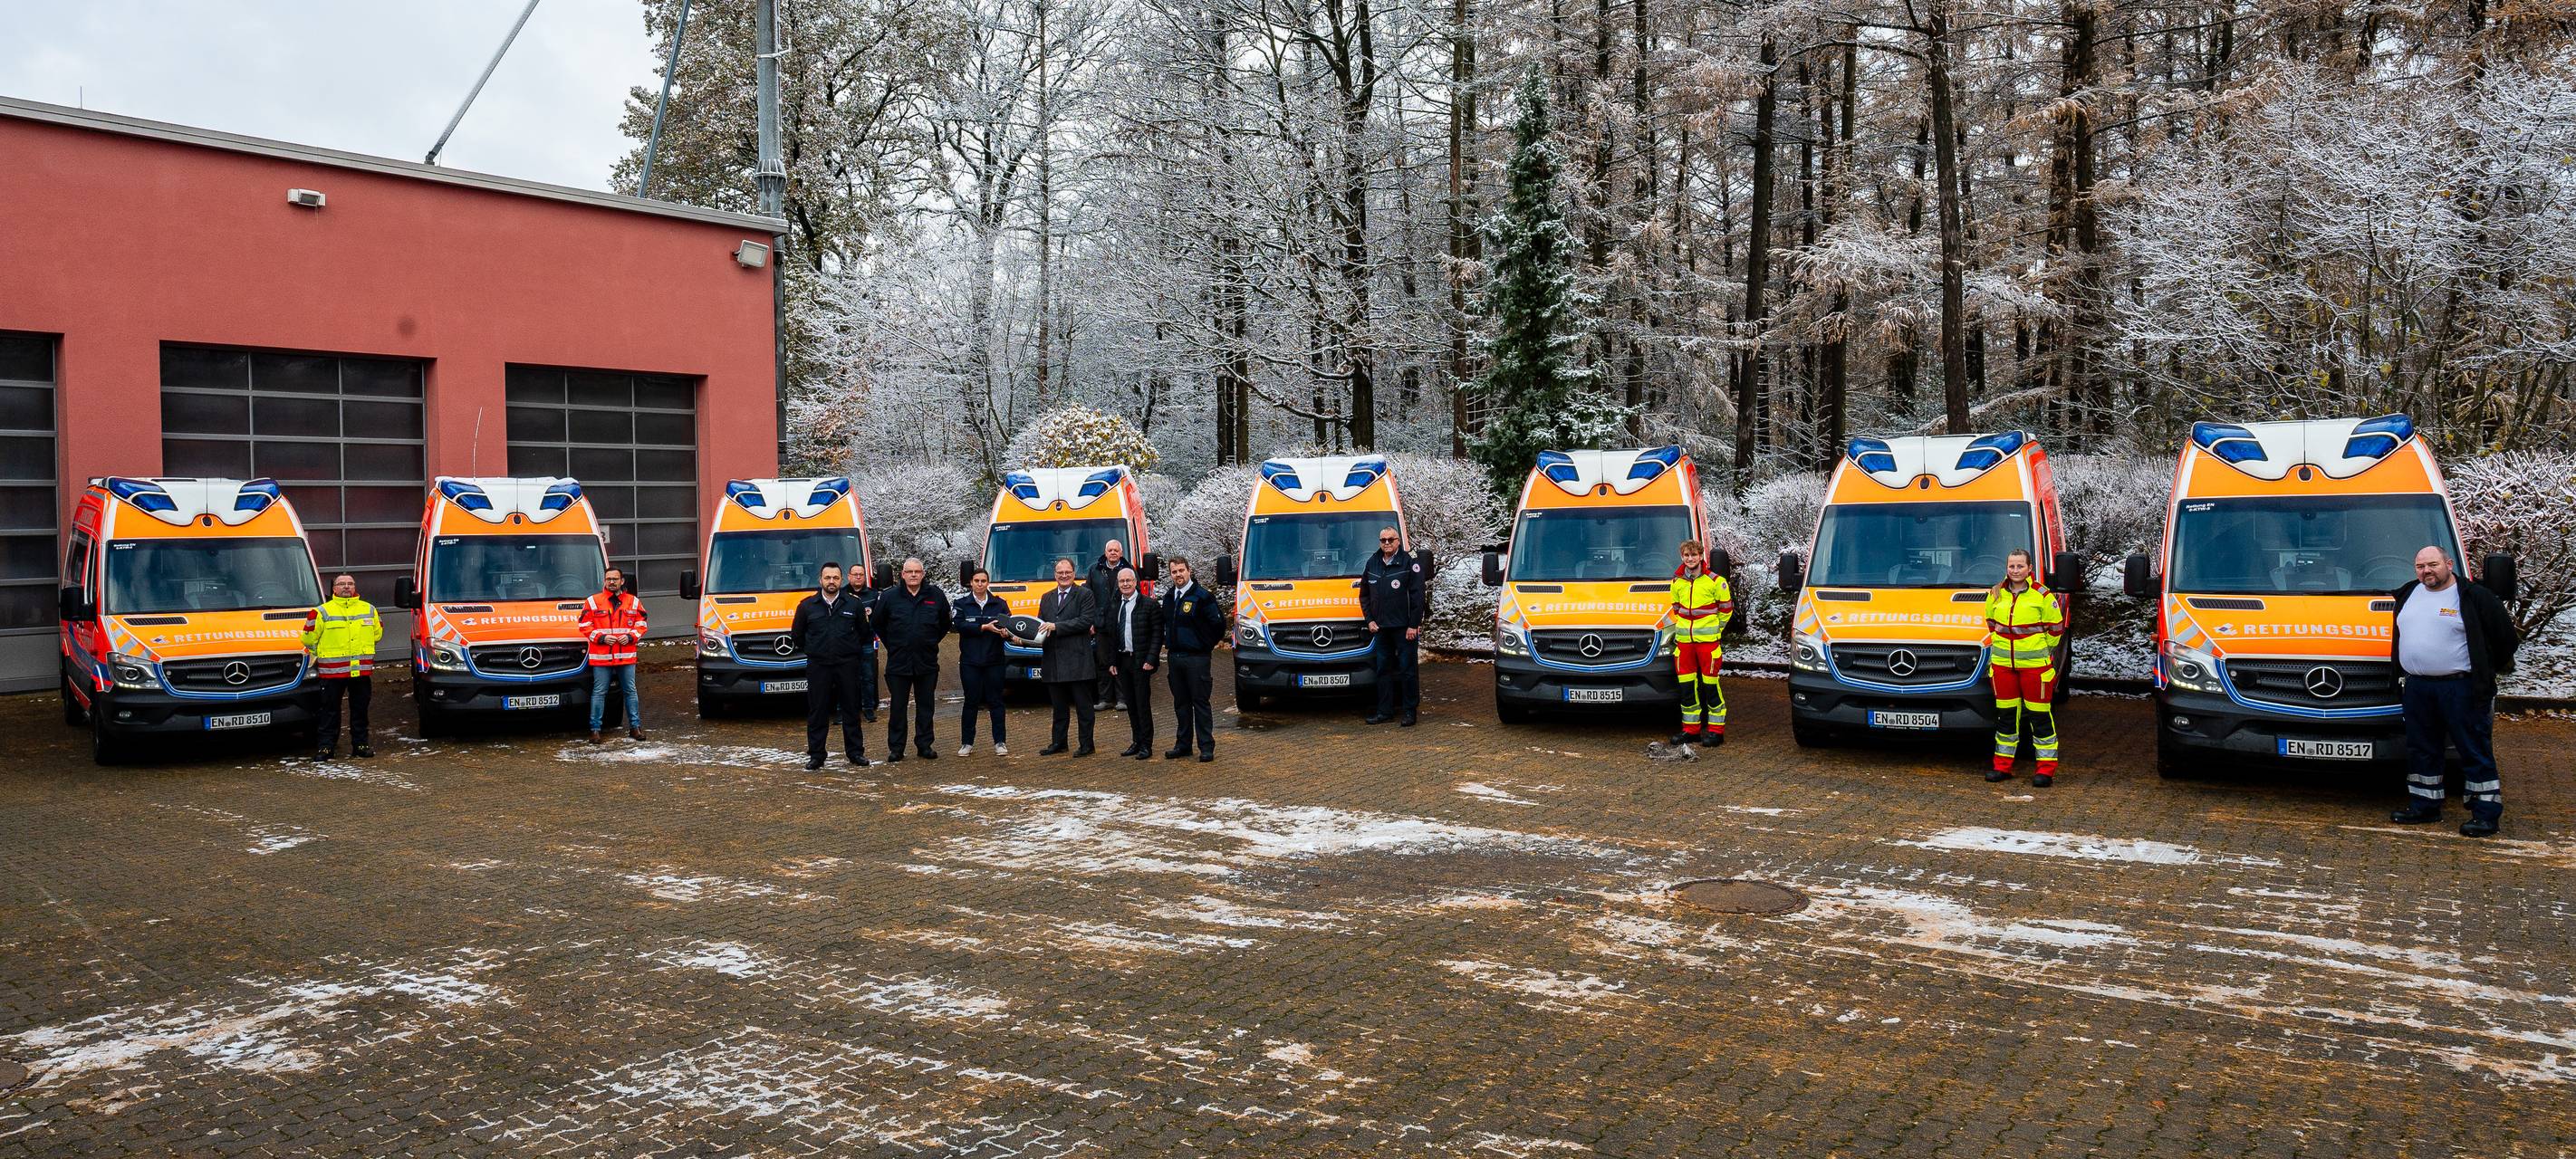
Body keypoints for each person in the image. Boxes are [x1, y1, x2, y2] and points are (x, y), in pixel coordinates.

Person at [2390, 545, 2521, 837]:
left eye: (2433, 564)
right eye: (2420, 566)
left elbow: (2505, 639)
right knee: (2422, 749)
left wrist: (2485, 671)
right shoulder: (2408, 594)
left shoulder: (2474, 596)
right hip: (2417, 687)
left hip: (2460, 687)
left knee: (2473, 749)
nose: (2427, 571)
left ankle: (2485, 814)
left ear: (2449, 564)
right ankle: (2425, 806)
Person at [1984, 549, 2065, 787]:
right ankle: (2002, 767)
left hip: (2035, 668)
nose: (2015, 570)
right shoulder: (1996, 593)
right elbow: (1991, 623)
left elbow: (2056, 629)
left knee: (2040, 718)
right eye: (2011, 566)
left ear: (2030, 568)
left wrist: (2039, 650)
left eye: (2020, 566)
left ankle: (2046, 770)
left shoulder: (2042, 595)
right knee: (2006, 718)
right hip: (2002, 667)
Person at [791, 560, 875, 770]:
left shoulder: (853, 604)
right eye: (827, 577)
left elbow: (864, 633)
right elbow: (797, 635)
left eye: (835, 578)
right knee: (818, 710)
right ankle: (816, 755)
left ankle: (855, 753)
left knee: (851, 709)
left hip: (847, 665)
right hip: (819, 666)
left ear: (841, 580)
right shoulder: (807, 606)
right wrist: (815, 650)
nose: (831, 581)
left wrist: (849, 649)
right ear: (820, 580)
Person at [871, 557, 952, 762]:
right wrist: (894, 645)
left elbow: (945, 623)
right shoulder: (889, 597)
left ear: (923, 574)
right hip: (899, 662)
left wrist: (929, 642)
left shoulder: (936, 595)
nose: (914, 575)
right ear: (903, 574)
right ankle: (896, 748)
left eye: (917, 571)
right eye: (910, 571)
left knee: (926, 706)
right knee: (898, 707)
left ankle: (924, 745)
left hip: (927, 661)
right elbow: (878, 623)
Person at [302, 572, 383, 759]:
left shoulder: (369, 609)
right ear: (334, 589)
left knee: (360, 710)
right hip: (332, 672)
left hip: (360, 672)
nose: (346, 586)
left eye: (350, 583)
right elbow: (308, 639)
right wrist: (321, 652)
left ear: (355, 587)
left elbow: (377, 634)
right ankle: (326, 748)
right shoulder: (321, 612)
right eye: (342, 584)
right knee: (329, 711)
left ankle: (361, 745)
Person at [1665, 541, 1733, 748]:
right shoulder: (1677, 582)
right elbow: (1676, 609)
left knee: (1711, 687)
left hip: (1708, 644)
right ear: (1682, 557)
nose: (1690, 558)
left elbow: (1726, 610)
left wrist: (1715, 630)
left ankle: (1716, 731)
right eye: (1686, 555)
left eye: (1694, 554)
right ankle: (1691, 730)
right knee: (1687, 688)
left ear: (1701, 556)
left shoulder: (1716, 581)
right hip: (1685, 643)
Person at [1160, 555, 1226, 761]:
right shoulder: (1169, 597)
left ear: (1189, 571)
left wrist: (1205, 645)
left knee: (1200, 703)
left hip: (1197, 659)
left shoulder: (1203, 596)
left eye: (1181, 570)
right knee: (1181, 704)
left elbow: (1218, 625)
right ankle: (1183, 745)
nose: (1178, 575)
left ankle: (1206, 747)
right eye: (1174, 572)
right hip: (1175, 658)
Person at [1360, 527, 1427, 726]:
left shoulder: (1410, 563)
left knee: (1408, 670)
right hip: (1381, 629)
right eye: (1383, 540)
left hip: (1404, 628)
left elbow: (1418, 597)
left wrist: (1413, 625)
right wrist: (1370, 620)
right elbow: (1364, 595)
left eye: (1391, 539)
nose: (1387, 543)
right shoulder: (1372, 563)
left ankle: (1409, 711)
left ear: (1398, 541)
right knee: (1383, 671)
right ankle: (1384, 712)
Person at [1036, 557, 1101, 755]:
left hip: (1077, 660)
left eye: (1067, 572)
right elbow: (1040, 625)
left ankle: (1087, 745)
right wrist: (1024, 638)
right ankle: (1059, 743)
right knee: (1059, 708)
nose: (1064, 575)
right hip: (1053, 661)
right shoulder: (1046, 597)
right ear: (1055, 574)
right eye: (1060, 572)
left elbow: (1085, 621)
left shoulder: (1085, 594)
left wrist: (1056, 627)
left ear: (1074, 573)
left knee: (1084, 707)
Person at [580, 566, 649, 743]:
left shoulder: (633, 602)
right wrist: (602, 638)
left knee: (630, 691)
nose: (611, 582)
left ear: (622, 581)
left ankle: (635, 727)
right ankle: (595, 730)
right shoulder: (592, 602)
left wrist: (630, 637)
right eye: (608, 579)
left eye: (615, 579)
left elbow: (642, 624)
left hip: (626, 656)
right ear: (604, 581)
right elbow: (584, 625)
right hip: (602, 657)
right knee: (599, 693)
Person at [953, 567, 1012, 756]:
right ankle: (967, 743)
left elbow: (1009, 626)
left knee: (996, 701)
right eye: (976, 581)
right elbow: (959, 625)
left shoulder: (999, 604)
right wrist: (983, 627)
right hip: (970, 662)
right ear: (971, 582)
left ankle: (1000, 742)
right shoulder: (961, 604)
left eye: (983, 581)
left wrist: (1006, 632)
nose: (980, 584)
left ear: (988, 583)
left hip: (994, 661)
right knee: (971, 702)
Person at [1106, 566, 1164, 760]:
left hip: (1141, 661)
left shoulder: (1149, 604)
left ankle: (1146, 745)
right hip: (1123, 661)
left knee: (1142, 704)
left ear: (1135, 582)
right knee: (1130, 704)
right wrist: (1112, 661)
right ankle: (1136, 741)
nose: (1125, 584)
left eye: (1128, 580)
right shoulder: (1116, 605)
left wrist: (1151, 659)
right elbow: (1112, 636)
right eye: (1122, 581)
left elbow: (1157, 634)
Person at [1086, 540, 1132, 711]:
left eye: (1116, 550)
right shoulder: (1094, 570)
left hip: (1122, 622)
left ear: (1121, 553)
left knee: (1121, 660)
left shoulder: (1128, 570)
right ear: (1105, 553)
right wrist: (1090, 621)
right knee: (1102, 662)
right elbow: (1088, 596)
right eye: (1110, 550)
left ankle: (1122, 698)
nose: (1113, 553)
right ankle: (1104, 699)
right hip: (1101, 624)